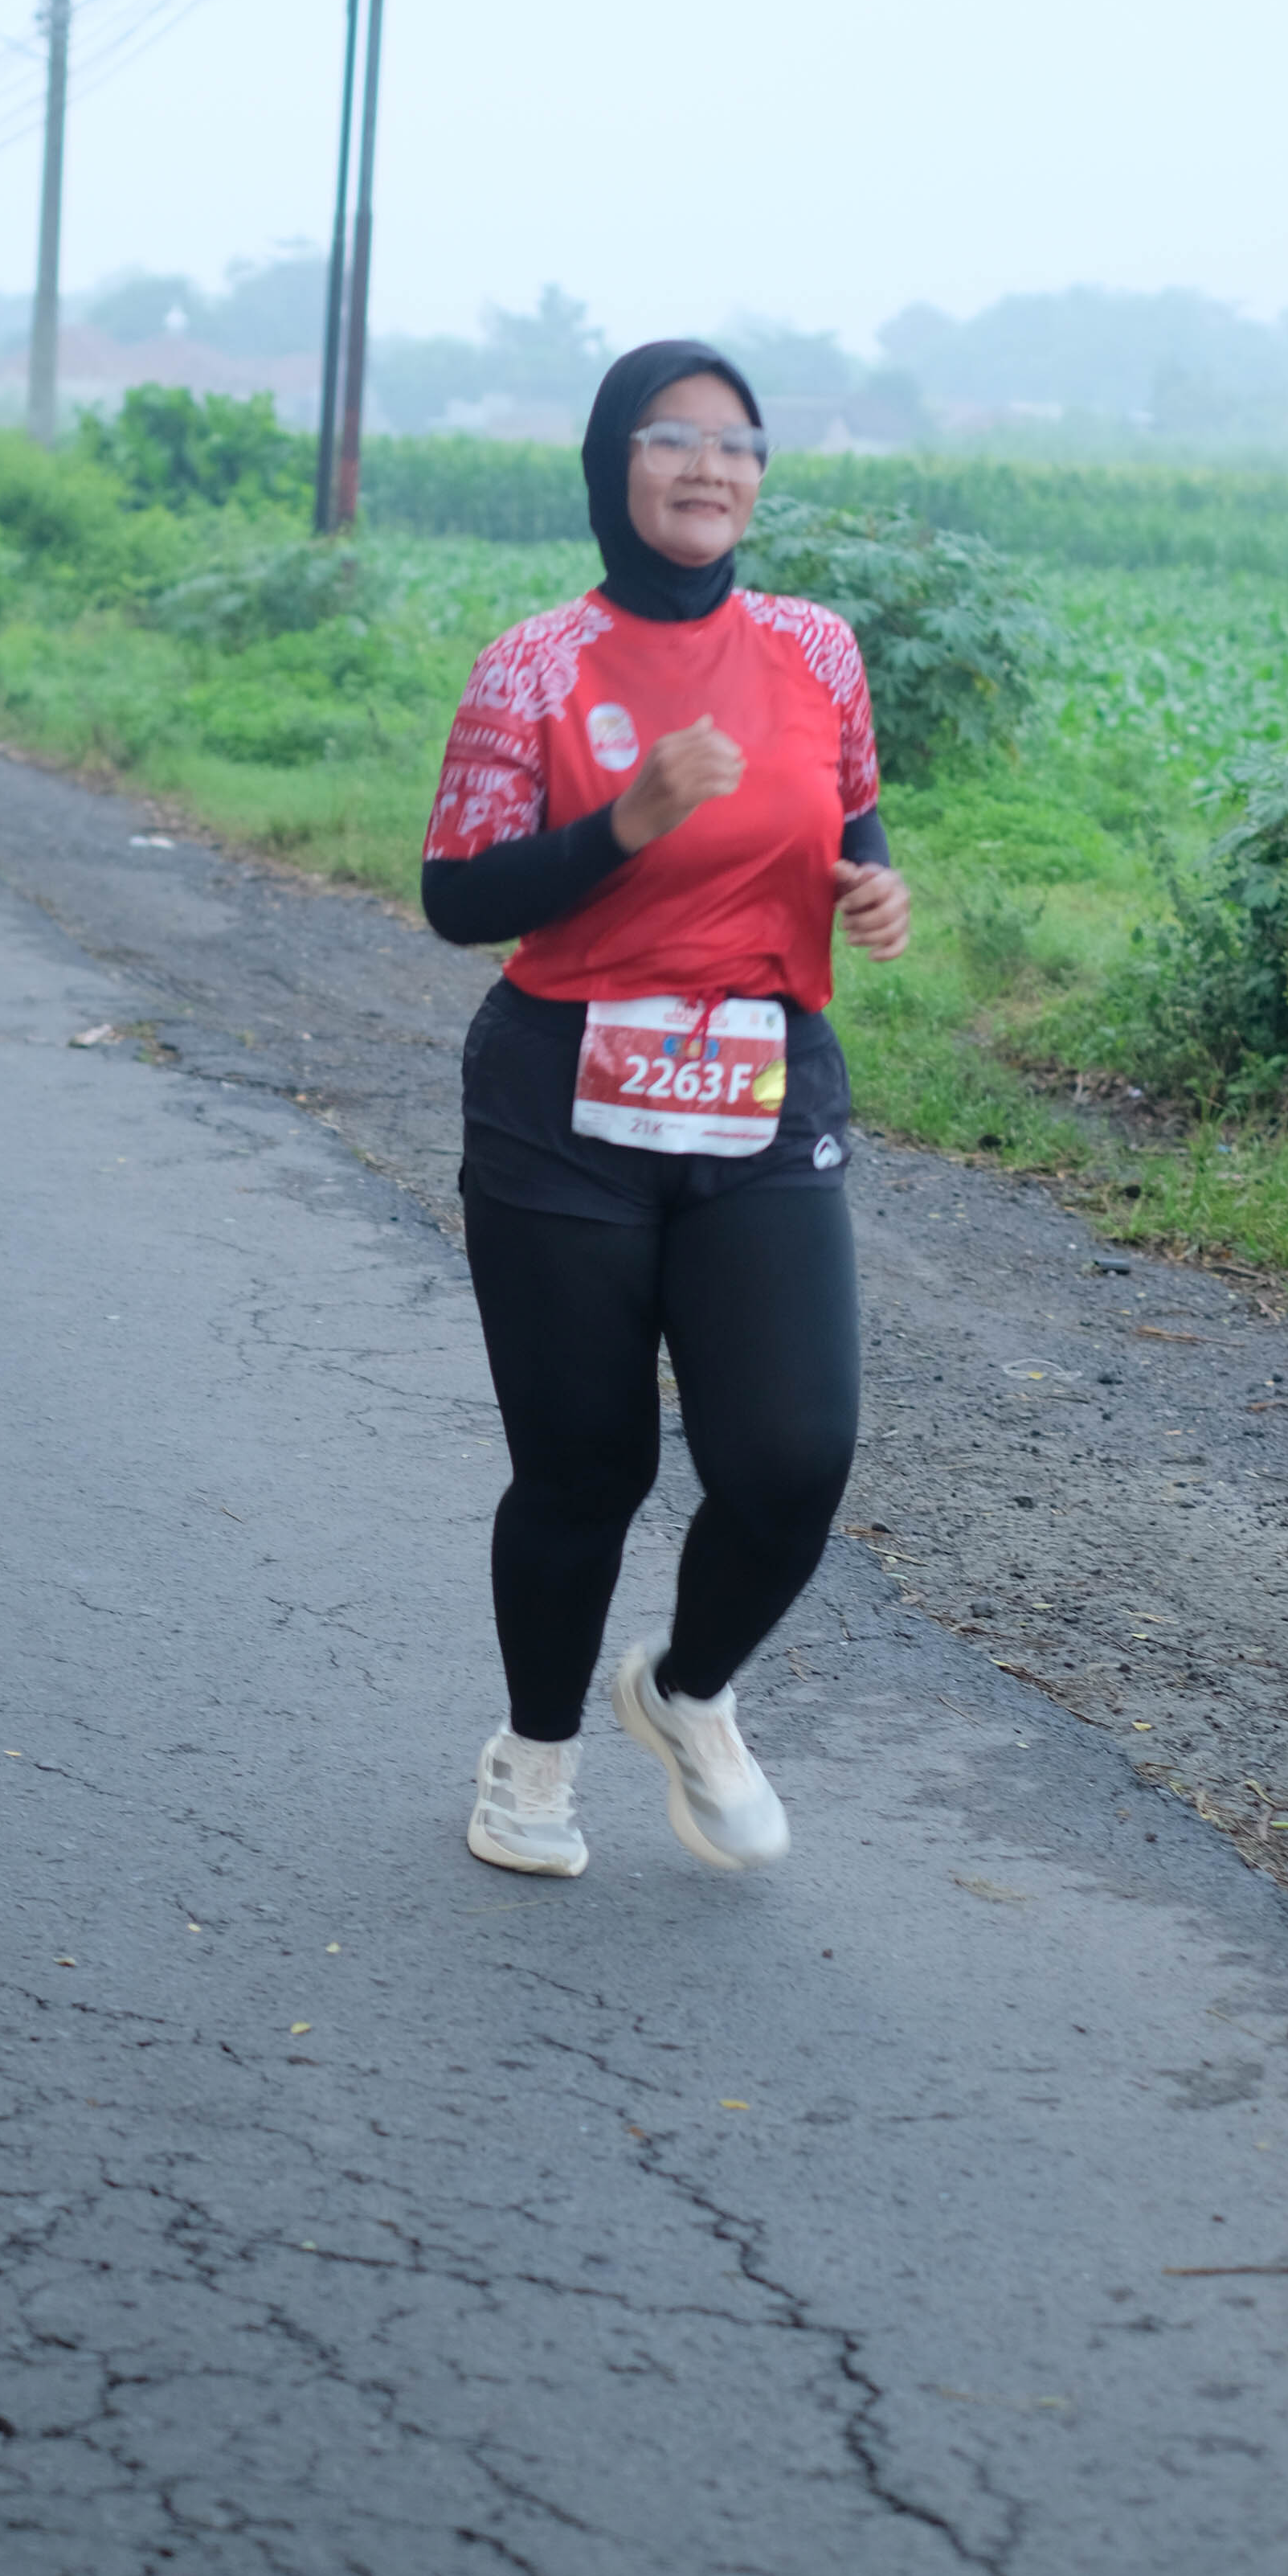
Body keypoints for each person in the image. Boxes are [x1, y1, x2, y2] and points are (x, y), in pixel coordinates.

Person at [423, 342, 913, 1880]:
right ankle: (533, 1759)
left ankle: (686, 1690)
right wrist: (623, 824)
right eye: (672, 437)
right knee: (587, 1469)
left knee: (794, 1455)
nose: (711, 467)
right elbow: (457, 896)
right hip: (561, 1097)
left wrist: (872, 886)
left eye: (738, 444)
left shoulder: (815, 650)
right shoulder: (534, 664)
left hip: (761, 1087)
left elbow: (849, 821)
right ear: (609, 465)